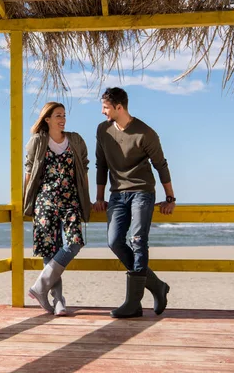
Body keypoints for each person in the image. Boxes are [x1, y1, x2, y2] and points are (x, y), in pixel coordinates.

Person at [92, 87, 174, 318]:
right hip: (117, 194)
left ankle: (133, 303)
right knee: (115, 241)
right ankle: (157, 285)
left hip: (142, 192)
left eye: (106, 107)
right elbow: (101, 164)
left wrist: (170, 198)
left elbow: (161, 165)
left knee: (138, 241)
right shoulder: (103, 130)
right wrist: (99, 197)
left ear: (119, 107)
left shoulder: (145, 133)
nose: (102, 111)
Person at [23, 101, 91, 316]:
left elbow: (84, 169)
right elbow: (29, 172)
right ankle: (58, 299)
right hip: (45, 200)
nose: (62, 119)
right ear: (47, 119)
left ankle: (40, 287)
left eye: (64, 116)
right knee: (50, 250)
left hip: (71, 200)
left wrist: (86, 200)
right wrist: (26, 201)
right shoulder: (37, 141)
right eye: (58, 116)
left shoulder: (76, 140)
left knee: (74, 243)